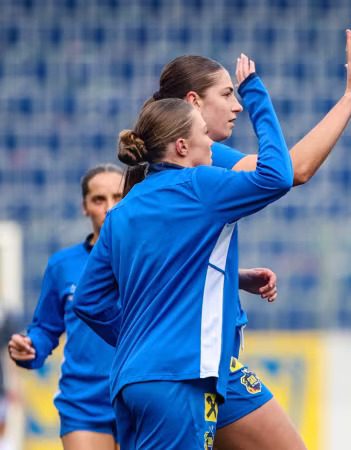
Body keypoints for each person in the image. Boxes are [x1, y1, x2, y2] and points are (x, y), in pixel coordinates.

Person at [72, 57, 303, 449]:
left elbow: (89, 302)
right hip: (178, 378)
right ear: (182, 146)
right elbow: (279, 175)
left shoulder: (124, 209)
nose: (211, 143)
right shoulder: (201, 184)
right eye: (203, 135)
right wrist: (257, 96)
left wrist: (235, 279)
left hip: (148, 376)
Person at [151, 32, 351, 447]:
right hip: (193, 359)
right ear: (193, 102)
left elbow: (168, 261)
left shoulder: (169, 170)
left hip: (186, 357)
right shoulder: (203, 164)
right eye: (227, 94)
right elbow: (291, 170)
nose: (236, 106)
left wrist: (235, 277)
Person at [7, 164, 123, 450]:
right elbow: (46, 328)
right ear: (85, 207)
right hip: (83, 405)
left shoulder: (151, 260)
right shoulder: (63, 265)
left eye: (119, 197)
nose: (110, 207)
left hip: (140, 400)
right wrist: (30, 346)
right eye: (99, 199)